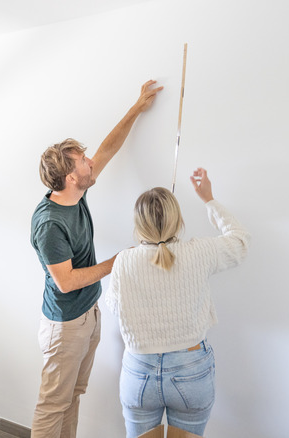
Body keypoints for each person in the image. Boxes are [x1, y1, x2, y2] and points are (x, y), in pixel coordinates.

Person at [30, 80, 163, 438]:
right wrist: (118, 260)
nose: (92, 163)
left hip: (88, 312)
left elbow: (108, 148)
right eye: (84, 162)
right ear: (73, 176)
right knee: (52, 404)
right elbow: (67, 281)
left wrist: (137, 107)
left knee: (73, 397)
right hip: (65, 325)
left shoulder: (75, 193)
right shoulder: (50, 224)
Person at [105, 168, 250, 438]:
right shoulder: (199, 252)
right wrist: (209, 199)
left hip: (139, 372)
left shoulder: (124, 260)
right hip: (191, 370)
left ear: (138, 226)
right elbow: (240, 240)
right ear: (178, 221)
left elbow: (114, 306)